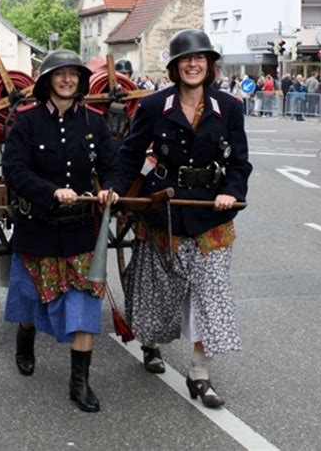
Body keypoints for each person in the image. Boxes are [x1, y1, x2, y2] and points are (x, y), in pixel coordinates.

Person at [105, 29, 252, 407]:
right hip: (163, 210)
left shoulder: (230, 108)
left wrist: (231, 193)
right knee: (160, 293)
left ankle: (200, 374)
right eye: (185, 59)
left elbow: (239, 162)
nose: (192, 64)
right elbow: (130, 154)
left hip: (211, 216)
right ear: (174, 67)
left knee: (211, 294)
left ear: (210, 65)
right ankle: (150, 343)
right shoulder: (154, 106)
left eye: (200, 58)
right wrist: (116, 189)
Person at [2, 49, 119, 413]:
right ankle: (25, 338)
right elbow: (14, 171)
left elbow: (112, 165)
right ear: (47, 80)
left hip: (82, 232)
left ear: (81, 81)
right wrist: (50, 191)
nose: (68, 80)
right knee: (29, 300)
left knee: (85, 303)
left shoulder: (95, 122)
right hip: (38, 227)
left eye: (74, 74)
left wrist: (109, 188)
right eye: (60, 74)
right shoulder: (26, 121)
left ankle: (79, 382)